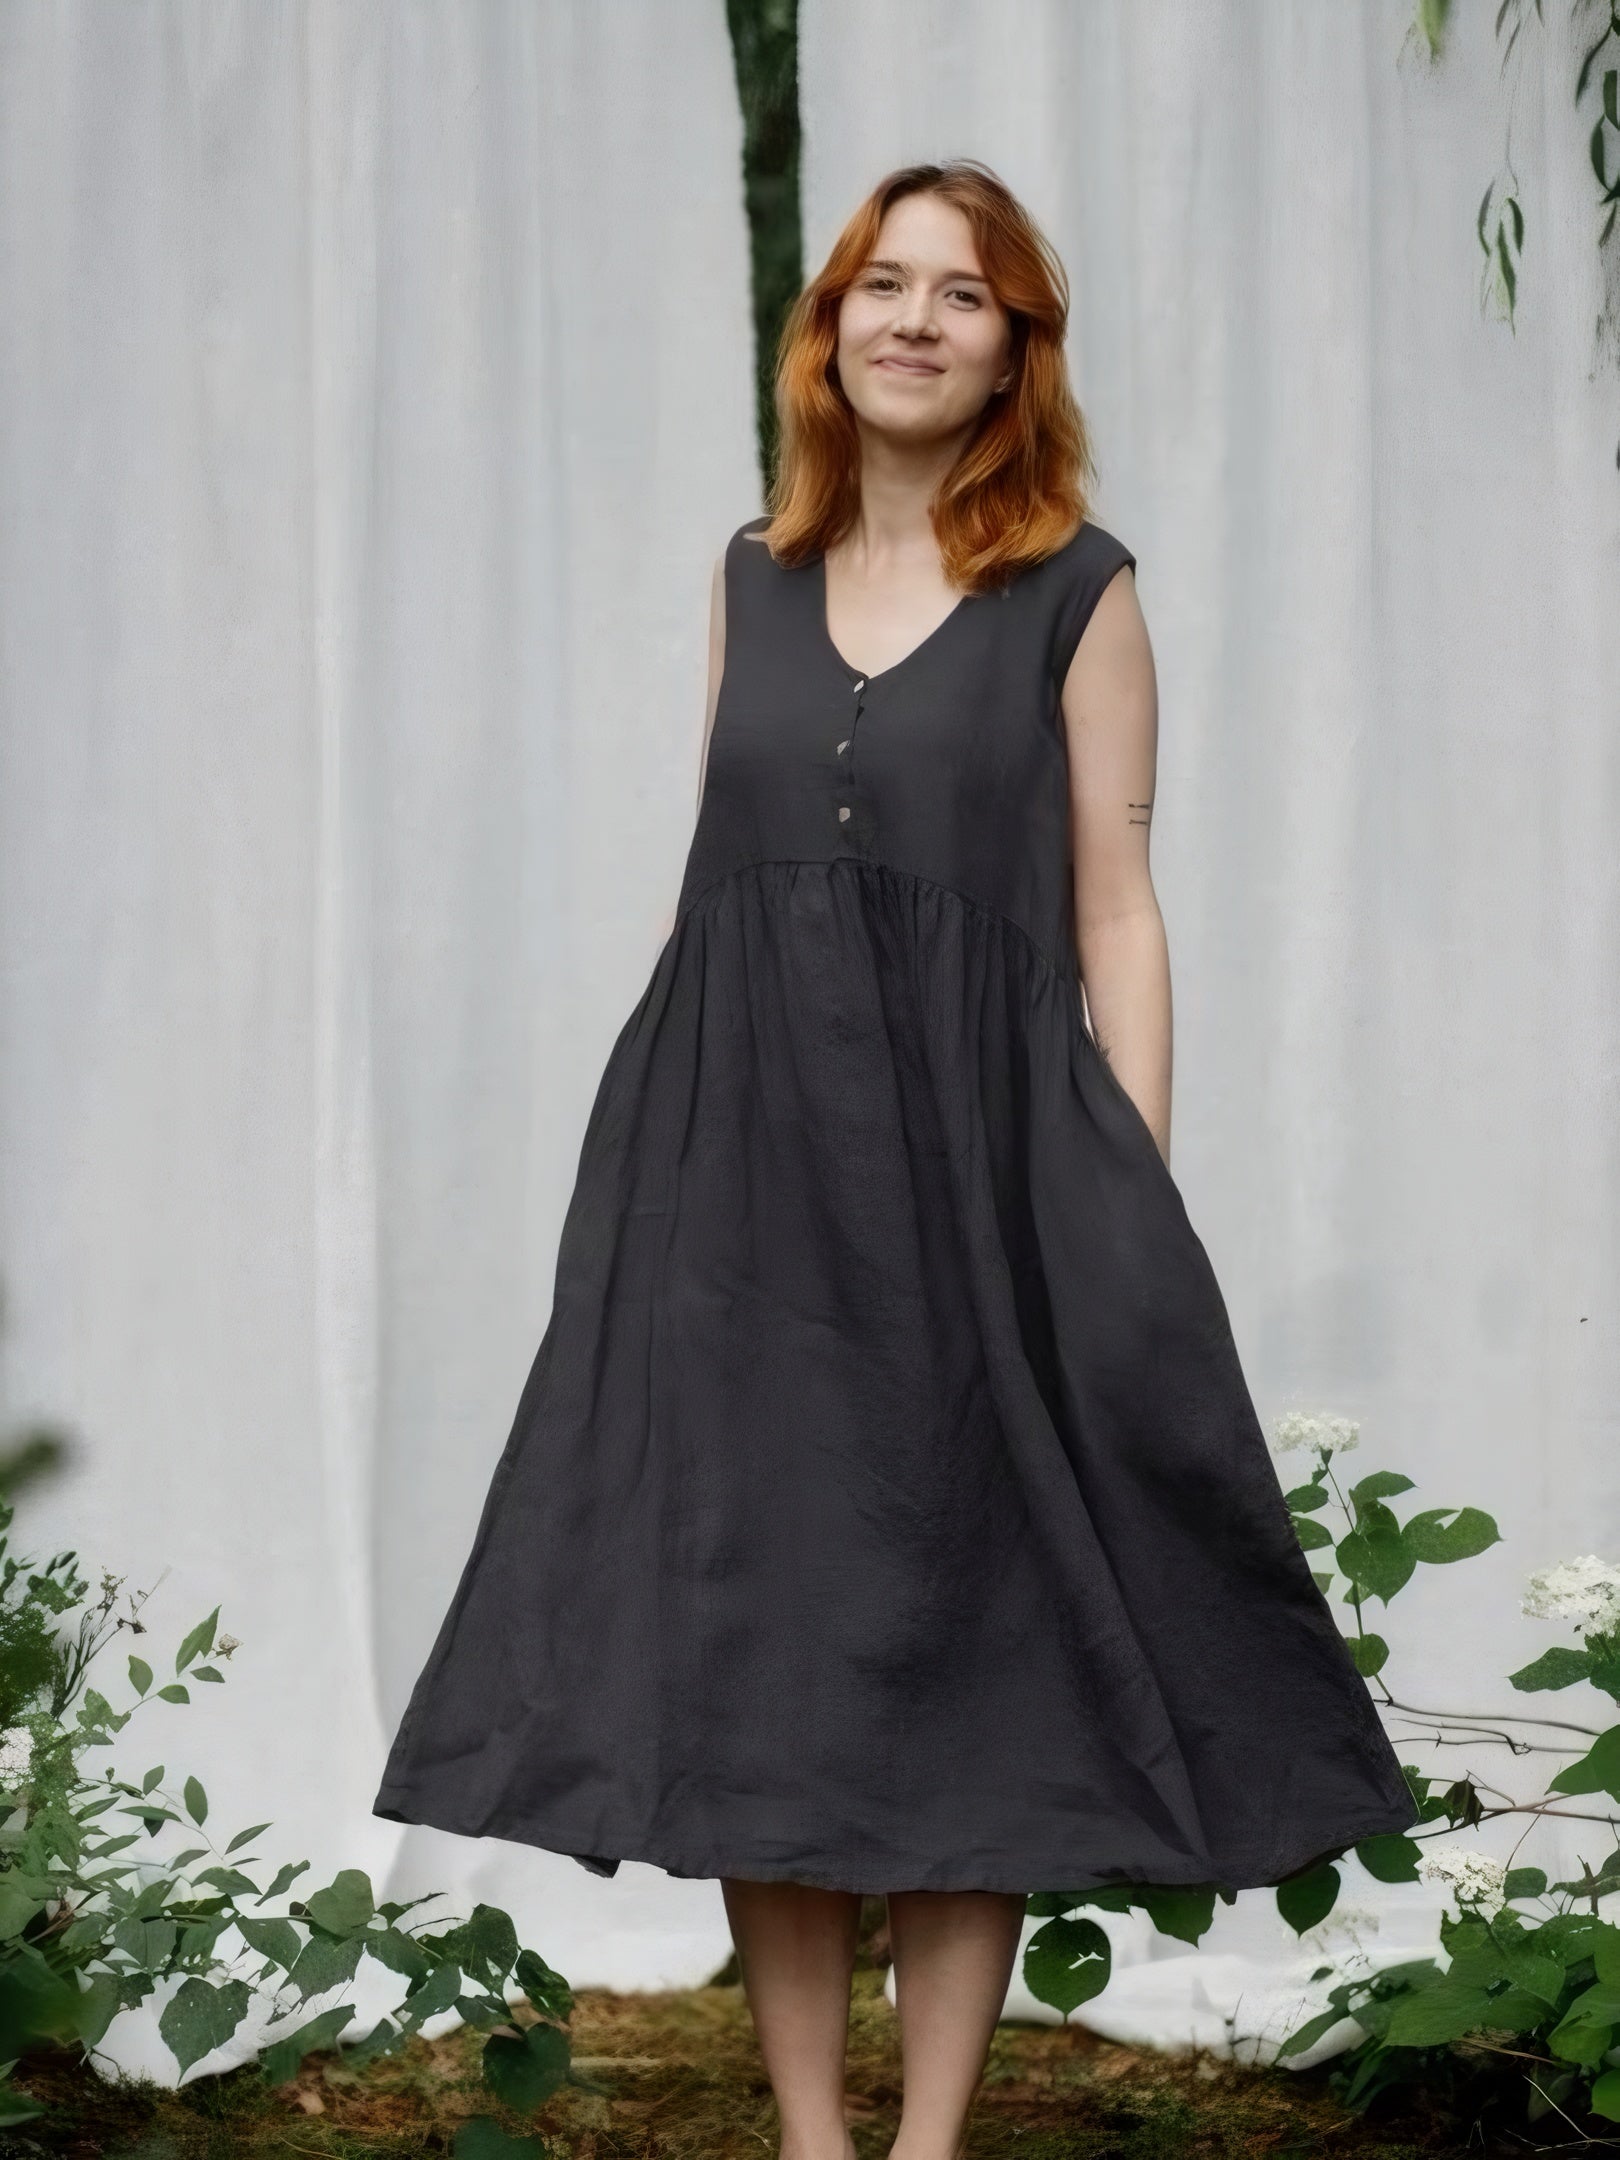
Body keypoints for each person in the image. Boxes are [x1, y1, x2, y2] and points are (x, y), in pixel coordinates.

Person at [374, 159, 1419, 2160]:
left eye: (963, 294)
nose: (914, 320)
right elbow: (716, 882)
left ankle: (930, 2138)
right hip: (739, 1182)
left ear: (1018, 352)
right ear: (828, 326)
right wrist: (654, 1160)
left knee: (976, 1634)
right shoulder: (747, 577)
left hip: (979, 1181)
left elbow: (1117, 908)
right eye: (883, 284)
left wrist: (1121, 1198)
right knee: (758, 1632)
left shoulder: (1080, 592)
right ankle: (810, 2136)